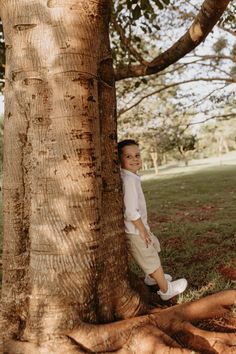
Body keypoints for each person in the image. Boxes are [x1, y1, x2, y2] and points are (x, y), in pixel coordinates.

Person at [118, 139, 187, 301]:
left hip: (139, 227)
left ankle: (151, 278)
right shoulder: (128, 180)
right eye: (128, 156)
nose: (135, 159)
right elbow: (130, 211)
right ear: (120, 160)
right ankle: (165, 290)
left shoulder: (130, 176)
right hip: (135, 229)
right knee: (150, 258)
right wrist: (142, 230)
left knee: (152, 249)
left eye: (137, 155)